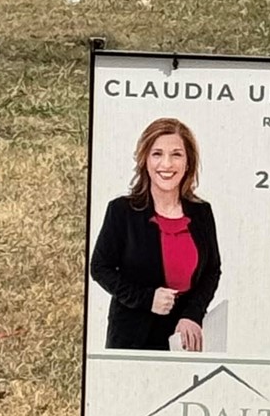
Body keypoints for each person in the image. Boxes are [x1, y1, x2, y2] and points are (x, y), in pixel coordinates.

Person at [90, 117, 221, 350]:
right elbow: (100, 267)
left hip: (184, 337)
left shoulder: (202, 212)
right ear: (145, 161)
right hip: (132, 338)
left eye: (176, 154)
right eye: (157, 154)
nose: (166, 164)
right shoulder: (122, 211)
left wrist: (193, 314)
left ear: (188, 163)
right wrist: (146, 299)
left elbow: (211, 270)